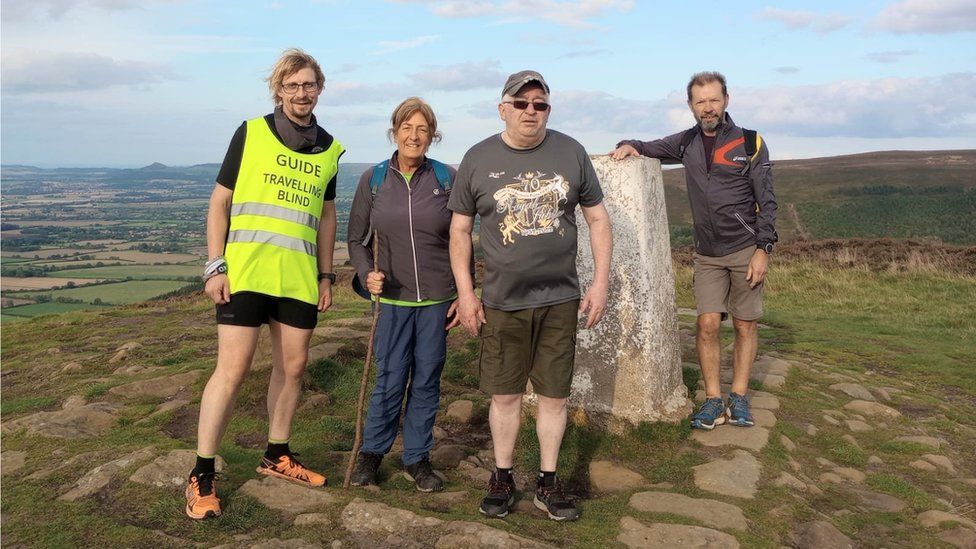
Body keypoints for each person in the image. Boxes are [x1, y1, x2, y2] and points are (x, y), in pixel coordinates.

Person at [186, 48, 343, 520]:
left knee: (293, 369)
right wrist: (215, 265)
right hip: (246, 274)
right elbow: (220, 202)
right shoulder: (251, 132)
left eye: (309, 84)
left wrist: (326, 273)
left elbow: (327, 215)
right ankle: (202, 473)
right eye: (293, 85)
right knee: (232, 371)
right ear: (278, 89)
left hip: (297, 278)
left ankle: (277, 455)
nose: (301, 92)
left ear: (319, 89)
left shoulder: (331, 148)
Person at [448, 71, 612, 522]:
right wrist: (467, 293)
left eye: (540, 104)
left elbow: (598, 220)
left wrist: (600, 283)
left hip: (560, 298)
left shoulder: (571, 152)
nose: (531, 112)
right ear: (503, 108)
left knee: (555, 397)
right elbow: (460, 229)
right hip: (502, 301)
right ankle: (501, 476)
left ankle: (548, 481)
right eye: (521, 104)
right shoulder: (478, 158)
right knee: (504, 396)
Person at [610, 71, 777, 431]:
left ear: (726, 101)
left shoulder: (750, 143)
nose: (708, 108)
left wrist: (763, 249)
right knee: (706, 325)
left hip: (745, 248)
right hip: (707, 253)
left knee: (746, 325)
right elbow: (648, 146)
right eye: (700, 102)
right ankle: (713, 400)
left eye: (714, 100)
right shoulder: (685, 142)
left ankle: (740, 397)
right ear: (690, 106)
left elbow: (768, 201)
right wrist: (628, 144)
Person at [346, 97, 461, 492]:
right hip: (392, 302)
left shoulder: (448, 178)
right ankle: (371, 456)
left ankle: (416, 458)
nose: (414, 136)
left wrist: (465, 293)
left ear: (433, 136)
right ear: (394, 132)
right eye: (407, 128)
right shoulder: (373, 180)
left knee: (427, 379)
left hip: (436, 301)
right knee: (390, 379)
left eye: (422, 129)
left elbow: (461, 239)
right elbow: (356, 240)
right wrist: (366, 274)